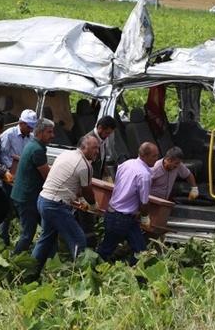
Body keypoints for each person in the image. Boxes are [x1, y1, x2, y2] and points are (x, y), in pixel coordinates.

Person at [31, 135, 100, 273]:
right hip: (55, 205)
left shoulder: (66, 154)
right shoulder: (84, 165)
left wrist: (78, 199)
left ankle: (31, 271)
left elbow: (71, 182)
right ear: (83, 147)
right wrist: (93, 206)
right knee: (78, 239)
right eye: (94, 148)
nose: (97, 151)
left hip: (43, 199)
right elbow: (87, 191)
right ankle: (82, 276)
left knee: (46, 238)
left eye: (98, 148)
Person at [96, 142, 159, 265]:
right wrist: (145, 218)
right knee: (106, 249)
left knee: (139, 249)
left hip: (120, 215)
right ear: (144, 156)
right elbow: (144, 201)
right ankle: (90, 271)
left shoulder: (126, 164)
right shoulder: (144, 175)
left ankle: (137, 278)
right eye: (154, 156)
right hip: (120, 218)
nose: (156, 159)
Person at [10, 118, 55, 254]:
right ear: (40, 132)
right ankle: (15, 258)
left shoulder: (33, 145)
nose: (52, 135)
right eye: (49, 132)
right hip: (27, 198)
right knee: (28, 233)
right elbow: (47, 176)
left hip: (26, 195)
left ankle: (49, 256)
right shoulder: (37, 150)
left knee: (49, 228)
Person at [77, 115, 117, 248]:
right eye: (107, 132)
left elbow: (101, 159)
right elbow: (84, 163)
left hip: (95, 180)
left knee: (90, 214)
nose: (108, 135)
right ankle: (87, 245)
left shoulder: (103, 140)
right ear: (99, 128)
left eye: (110, 133)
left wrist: (106, 175)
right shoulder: (89, 141)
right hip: (86, 182)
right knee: (86, 215)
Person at [0, 108, 37, 245]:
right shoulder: (9, 135)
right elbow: (1, 154)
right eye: (29, 126)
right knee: (7, 209)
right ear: (21, 123)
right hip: (8, 177)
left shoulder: (31, 138)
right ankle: (3, 238)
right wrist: (12, 169)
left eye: (33, 127)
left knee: (22, 209)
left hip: (22, 180)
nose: (31, 130)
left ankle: (23, 238)